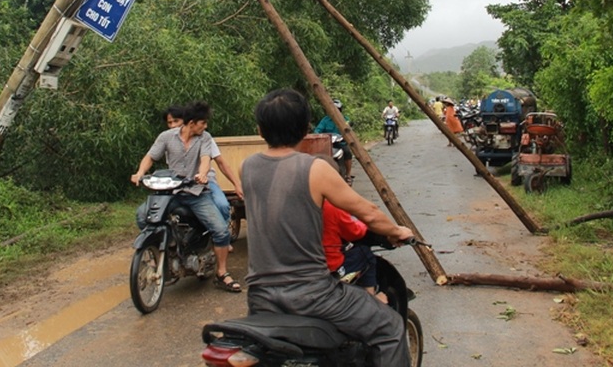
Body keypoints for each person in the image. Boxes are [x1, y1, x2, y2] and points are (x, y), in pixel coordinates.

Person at [241, 88, 414, 367]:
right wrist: (397, 232)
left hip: (260, 297)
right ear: (305, 129)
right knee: (391, 327)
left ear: (260, 130)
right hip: (312, 295)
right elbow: (367, 213)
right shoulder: (315, 169)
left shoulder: (247, 167)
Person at [131, 101, 241, 293]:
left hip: (197, 193)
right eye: (202, 123)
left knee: (221, 231)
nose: (205, 126)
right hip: (171, 193)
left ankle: (221, 273)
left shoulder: (205, 138)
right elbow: (150, 157)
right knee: (143, 215)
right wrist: (140, 173)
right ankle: (168, 248)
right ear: (191, 123)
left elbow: (206, 160)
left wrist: (202, 174)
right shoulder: (166, 137)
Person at [317, 156, 387, 304]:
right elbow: (356, 231)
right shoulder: (332, 206)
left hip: (296, 267)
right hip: (329, 266)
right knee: (365, 253)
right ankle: (371, 299)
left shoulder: (291, 203)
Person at [163, 105, 243, 224]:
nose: (173, 126)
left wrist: (237, 184)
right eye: (169, 123)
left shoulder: (204, 138)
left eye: (176, 121)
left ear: (187, 122)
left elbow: (221, 163)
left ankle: (222, 235)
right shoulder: (167, 139)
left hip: (206, 183)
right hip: (178, 184)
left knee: (222, 206)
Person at [313, 99, 353, 180]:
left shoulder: (345, 119)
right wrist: (317, 134)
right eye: (333, 110)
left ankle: (348, 174)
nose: (335, 112)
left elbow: (348, 129)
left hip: (341, 143)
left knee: (347, 152)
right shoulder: (325, 120)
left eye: (337, 110)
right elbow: (318, 130)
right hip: (327, 143)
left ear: (340, 110)